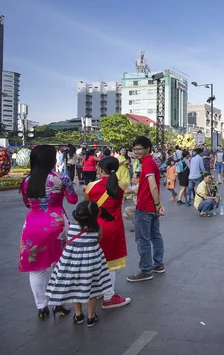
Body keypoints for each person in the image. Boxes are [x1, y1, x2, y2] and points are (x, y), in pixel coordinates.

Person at [19, 145, 78, 321]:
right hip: (56, 224)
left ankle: (41, 307)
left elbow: (28, 204)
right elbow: (73, 200)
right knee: (59, 265)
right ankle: (59, 303)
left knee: (36, 269)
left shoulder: (27, 181)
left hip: (32, 225)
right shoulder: (61, 178)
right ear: (52, 160)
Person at [45, 201, 113, 327]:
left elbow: (69, 240)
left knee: (76, 287)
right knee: (91, 288)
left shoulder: (69, 228)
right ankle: (91, 317)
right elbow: (97, 241)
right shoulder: (98, 229)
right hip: (91, 263)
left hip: (72, 262)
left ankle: (78, 315)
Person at [84, 156, 131, 310]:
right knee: (111, 263)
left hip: (96, 227)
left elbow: (87, 206)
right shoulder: (121, 185)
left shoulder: (91, 186)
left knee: (98, 260)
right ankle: (109, 296)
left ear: (100, 169)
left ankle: (100, 291)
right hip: (114, 227)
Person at [127, 136, 166, 282]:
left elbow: (153, 185)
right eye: (135, 149)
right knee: (155, 236)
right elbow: (155, 185)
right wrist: (158, 205)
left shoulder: (148, 162)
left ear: (147, 149)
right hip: (151, 207)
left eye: (139, 149)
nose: (136, 151)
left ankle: (145, 270)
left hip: (145, 208)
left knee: (142, 239)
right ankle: (158, 264)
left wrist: (157, 205)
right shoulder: (148, 162)